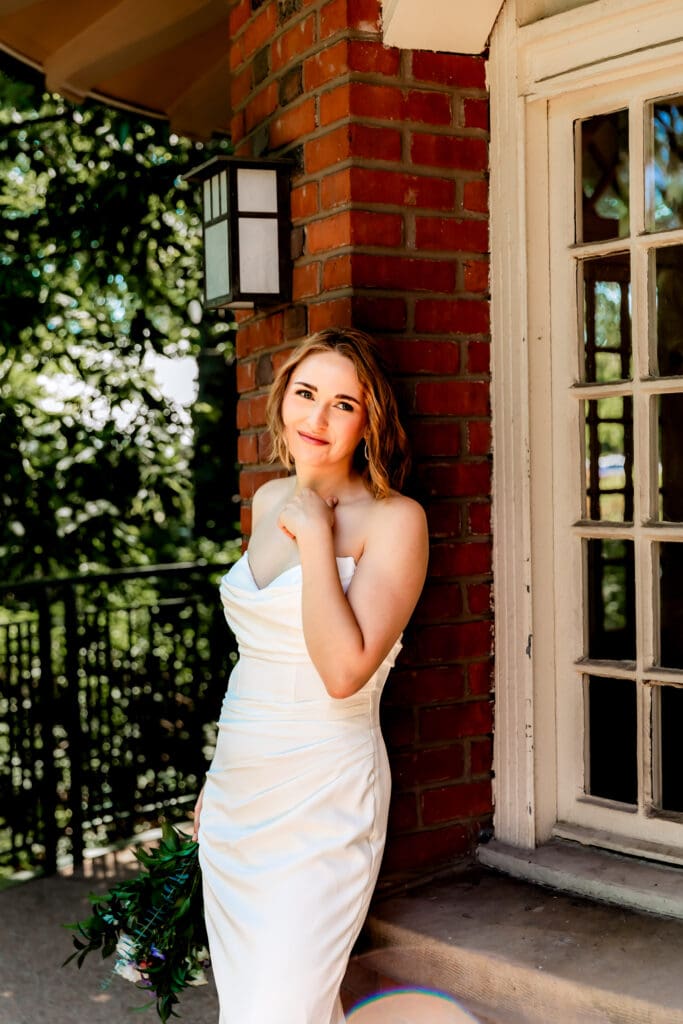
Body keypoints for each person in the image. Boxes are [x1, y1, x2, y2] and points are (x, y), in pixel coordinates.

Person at [193, 327, 429, 1024]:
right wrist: (216, 775)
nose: (316, 420)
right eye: (305, 395)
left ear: (369, 422)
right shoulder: (267, 502)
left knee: (278, 1009)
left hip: (324, 792)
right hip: (241, 790)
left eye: (342, 405)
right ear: (281, 401)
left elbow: (342, 673)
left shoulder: (395, 521)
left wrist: (318, 539)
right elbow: (255, 660)